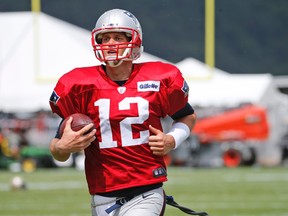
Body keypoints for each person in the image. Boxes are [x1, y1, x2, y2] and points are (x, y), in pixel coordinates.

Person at [49, 8, 196, 216]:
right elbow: (57, 149)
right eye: (105, 38)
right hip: (102, 197)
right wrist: (63, 147)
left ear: (135, 40)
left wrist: (172, 139)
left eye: (118, 37)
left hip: (146, 192)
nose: (111, 43)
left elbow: (187, 116)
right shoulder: (79, 85)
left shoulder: (158, 80)